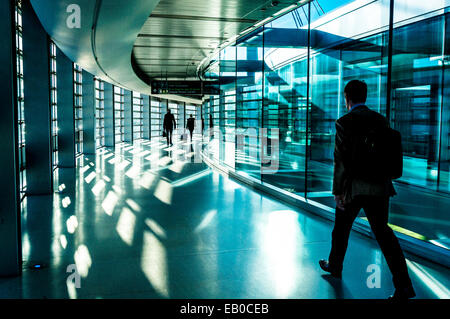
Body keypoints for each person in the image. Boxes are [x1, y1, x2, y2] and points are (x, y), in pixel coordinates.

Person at [319, 80, 415, 300]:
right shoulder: (380, 120)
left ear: (347, 98)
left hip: (353, 189)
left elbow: (340, 161)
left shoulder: (344, 122)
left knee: (341, 229)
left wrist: (337, 191)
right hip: (381, 188)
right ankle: (404, 286)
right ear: (365, 96)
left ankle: (334, 265)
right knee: (384, 235)